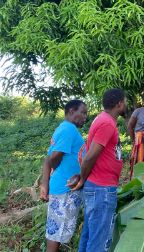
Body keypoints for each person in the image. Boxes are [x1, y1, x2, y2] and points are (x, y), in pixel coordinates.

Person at [69, 89, 127, 252]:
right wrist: (82, 178)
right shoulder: (107, 123)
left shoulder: (102, 119)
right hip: (101, 189)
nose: (126, 104)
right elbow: (89, 156)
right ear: (119, 103)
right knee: (98, 242)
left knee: (89, 236)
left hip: (98, 187)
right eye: (125, 101)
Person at [40, 100, 88, 252]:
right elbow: (53, 157)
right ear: (72, 111)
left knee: (56, 231)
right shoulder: (69, 129)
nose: (85, 117)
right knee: (56, 233)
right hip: (65, 189)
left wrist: (45, 183)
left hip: (63, 187)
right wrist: (59, 170)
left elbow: (47, 159)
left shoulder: (63, 128)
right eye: (83, 112)